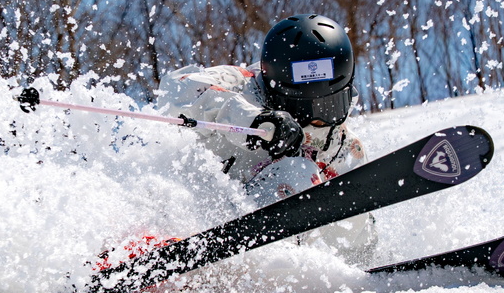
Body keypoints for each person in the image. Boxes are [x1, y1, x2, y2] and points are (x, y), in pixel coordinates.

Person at [154, 14, 376, 261]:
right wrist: (254, 119)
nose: (316, 121)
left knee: (350, 179)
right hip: (206, 216)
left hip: (284, 251)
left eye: (330, 106)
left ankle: (330, 267)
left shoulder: (341, 143)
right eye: (301, 110)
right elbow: (176, 90)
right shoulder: (240, 84)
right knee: (297, 173)